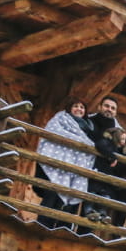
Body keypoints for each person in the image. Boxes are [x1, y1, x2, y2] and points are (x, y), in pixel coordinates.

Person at [33, 97, 96, 227]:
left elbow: (92, 146)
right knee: (52, 195)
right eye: (76, 106)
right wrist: (79, 142)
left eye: (82, 107)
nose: (79, 109)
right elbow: (53, 132)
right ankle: (42, 226)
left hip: (76, 169)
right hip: (57, 165)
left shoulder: (88, 128)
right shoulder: (60, 119)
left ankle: (63, 229)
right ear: (69, 108)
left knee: (69, 199)